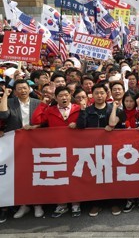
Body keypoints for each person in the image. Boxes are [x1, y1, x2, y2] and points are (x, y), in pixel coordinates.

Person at [76, 82, 126, 217]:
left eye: (102, 93)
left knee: (112, 175)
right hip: (93, 149)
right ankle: (96, 203)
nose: (99, 95)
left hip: (112, 149)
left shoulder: (114, 109)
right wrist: (82, 110)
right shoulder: (88, 110)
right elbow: (81, 126)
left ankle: (114, 202)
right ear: (92, 95)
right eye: (96, 93)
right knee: (96, 176)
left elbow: (117, 125)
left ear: (106, 94)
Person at [31, 86, 81, 218]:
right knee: (60, 176)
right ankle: (62, 204)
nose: (64, 98)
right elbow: (36, 121)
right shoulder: (50, 110)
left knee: (75, 176)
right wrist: (43, 105)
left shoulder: (79, 109)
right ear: (56, 98)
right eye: (60, 96)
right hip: (56, 149)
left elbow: (86, 124)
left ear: (70, 96)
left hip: (76, 148)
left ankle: (76, 203)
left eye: (66, 95)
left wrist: (78, 124)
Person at [0, 80, 43, 220]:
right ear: (15, 91)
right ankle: (23, 205)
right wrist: (5, 96)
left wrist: (35, 128)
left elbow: (44, 122)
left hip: (35, 143)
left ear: (29, 88)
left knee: (35, 173)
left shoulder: (37, 103)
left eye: (25, 88)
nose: (23, 91)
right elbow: (3, 116)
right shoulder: (11, 102)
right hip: (16, 145)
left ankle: (37, 204)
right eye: (19, 89)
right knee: (20, 174)